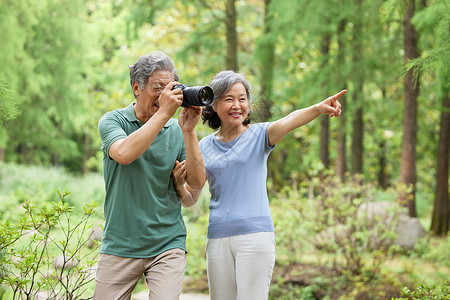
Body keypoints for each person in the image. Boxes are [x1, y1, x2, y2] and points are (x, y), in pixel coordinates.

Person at [187, 70, 345, 300]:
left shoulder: (261, 135)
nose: (237, 105)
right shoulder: (204, 145)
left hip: (254, 237)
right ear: (214, 104)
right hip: (217, 237)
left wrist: (318, 108)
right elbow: (192, 192)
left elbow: (290, 120)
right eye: (229, 99)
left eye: (242, 99)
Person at [94, 51, 206, 300]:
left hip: (167, 243)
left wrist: (188, 130)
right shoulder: (113, 121)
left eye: (170, 88)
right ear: (136, 87)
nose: (166, 95)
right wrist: (164, 113)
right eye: (158, 88)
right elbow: (124, 154)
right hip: (120, 243)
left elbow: (197, 182)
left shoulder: (176, 130)